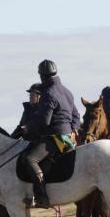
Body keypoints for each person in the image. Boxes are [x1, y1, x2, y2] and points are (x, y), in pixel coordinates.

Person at [20, 59, 81, 208]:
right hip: (68, 137)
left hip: (55, 137)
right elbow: (76, 115)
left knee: (30, 159)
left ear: (42, 75)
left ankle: (41, 197)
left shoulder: (49, 93)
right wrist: (73, 129)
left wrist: (28, 128)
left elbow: (44, 121)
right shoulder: (67, 91)